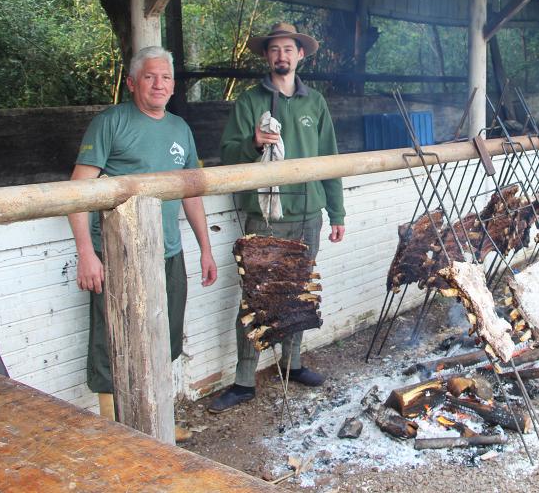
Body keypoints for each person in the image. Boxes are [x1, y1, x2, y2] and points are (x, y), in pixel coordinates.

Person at [68, 46, 218, 440]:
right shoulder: (111, 122)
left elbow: (192, 194)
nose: (159, 84)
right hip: (116, 254)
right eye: (150, 76)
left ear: (172, 85)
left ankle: (159, 423)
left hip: (167, 251)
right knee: (110, 339)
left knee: (165, 334)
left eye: (165, 78)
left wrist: (204, 248)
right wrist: (86, 253)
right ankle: (114, 431)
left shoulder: (180, 129)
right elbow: (76, 191)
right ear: (133, 82)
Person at [210, 22, 345, 413]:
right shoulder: (250, 101)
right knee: (257, 298)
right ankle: (243, 380)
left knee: (299, 291)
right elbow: (229, 155)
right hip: (266, 215)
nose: (282, 56)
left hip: (308, 213)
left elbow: (329, 160)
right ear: (267, 56)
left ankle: (293, 363)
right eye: (275, 50)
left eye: (289, 49)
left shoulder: (315, 102)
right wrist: (253, 143)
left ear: (300, 55)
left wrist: (335, 210)